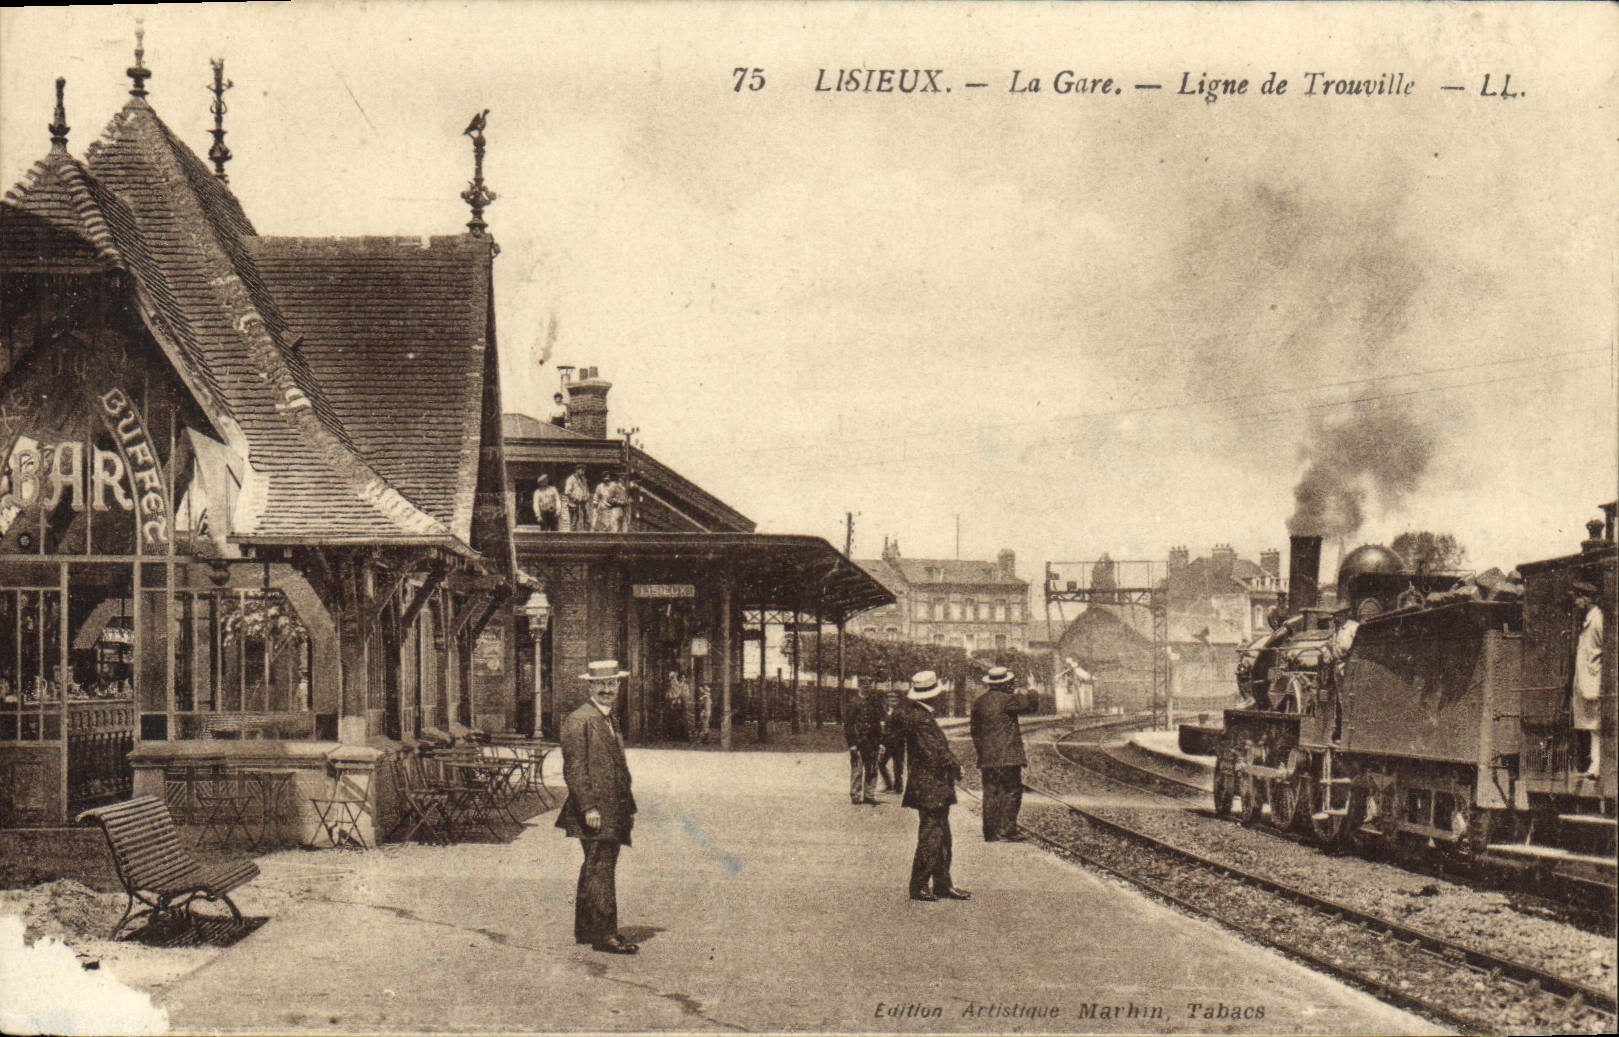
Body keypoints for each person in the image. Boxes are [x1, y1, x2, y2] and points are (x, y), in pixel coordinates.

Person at [556, 660, 639, 954]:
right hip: (594, 811)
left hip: (610, 808)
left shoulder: (606, 718)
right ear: (589, 686)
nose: (607, 689)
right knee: (602, 869)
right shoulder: (580, 720)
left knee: (595, 866)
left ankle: (586, 930)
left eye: (612, 683)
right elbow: (575, 770)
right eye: (601, 684)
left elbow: (617, 768)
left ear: (619, 685)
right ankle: (605, 935)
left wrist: (627, 805)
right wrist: (589, 807)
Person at [895, 670, 969, 902]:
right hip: (930, 786)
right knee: (932, 835)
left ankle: (942, 884)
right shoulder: (922, 720)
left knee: (941, 835)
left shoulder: (920, 716)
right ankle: (919, 885)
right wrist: (956, 766)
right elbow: (934, 753)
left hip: (931, 785)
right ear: (931, 696)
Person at [969, 666, 1038, 842]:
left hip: (987, 757)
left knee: (990, 792)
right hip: (1008, 756)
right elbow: (1032, 706)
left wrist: (982, 751)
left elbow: (974, 731)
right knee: (1012, 790)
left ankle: (990, 833)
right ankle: (1008, 830)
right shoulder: (1009, 700)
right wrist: (1031, 688)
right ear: (1005, 683)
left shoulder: (979, 702)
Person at [1572, 580, 1605, 780]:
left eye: (1577, 598)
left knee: (1596, 727)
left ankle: (1596, 766)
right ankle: (1594, 764)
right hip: (1587, 682)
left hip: (1594, 680)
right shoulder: (1590, 619)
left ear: (1587, 598)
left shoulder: (1598, 620)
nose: (1576, 602)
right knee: (1591, 726)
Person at [844, 683, 882, 805]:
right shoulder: (853, 703)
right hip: (858, 742)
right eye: (864, 685)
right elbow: (848, 725)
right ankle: (855, 795)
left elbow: (878, 724)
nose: (867, 688)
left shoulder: (874, 704)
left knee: (872, 769)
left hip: (872, 743)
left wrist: (880, 742)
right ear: (859, 687)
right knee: (857, 770)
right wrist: (852, 744)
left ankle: (869, 795)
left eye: (869, 685)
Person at [878, 690, 906, 794]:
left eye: (895, 700)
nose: (892, 702)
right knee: (881, 763)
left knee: (898, 766)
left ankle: (898, 788)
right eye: (890, 700)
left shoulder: (901, 712)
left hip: (898, 744)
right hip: (887, 743)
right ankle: (889, 785)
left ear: (898, 701)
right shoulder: (885, 712)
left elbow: (903, 729)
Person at [563, 465, 591, 532]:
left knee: (585, 521)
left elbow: (586, 490)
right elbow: (567, 492)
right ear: (577, 470)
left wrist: (587, 496)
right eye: (582, 470)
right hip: (574, 504)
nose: (583, 472)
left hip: (583, 504)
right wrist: (576, 498)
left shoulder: (584, 479)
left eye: (584, 470)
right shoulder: (571, 479)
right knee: (574, 521)